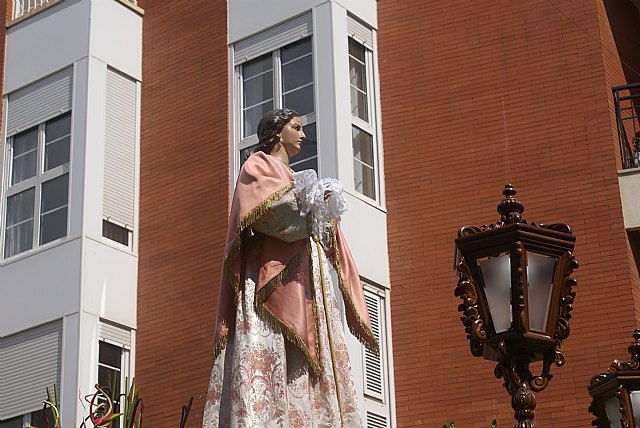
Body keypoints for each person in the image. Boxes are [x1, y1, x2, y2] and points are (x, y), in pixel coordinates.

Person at [202, 108, 378, 427]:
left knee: (311, 359)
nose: (302, 134)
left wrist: (323, 209)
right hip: (267, 275)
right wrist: (308, 205)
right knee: (267, 347)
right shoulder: (257, 165)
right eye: (296, 127)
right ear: (278, 131)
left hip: (305, 278)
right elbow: (265, 216)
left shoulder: (298, 179)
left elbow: (320, 232)